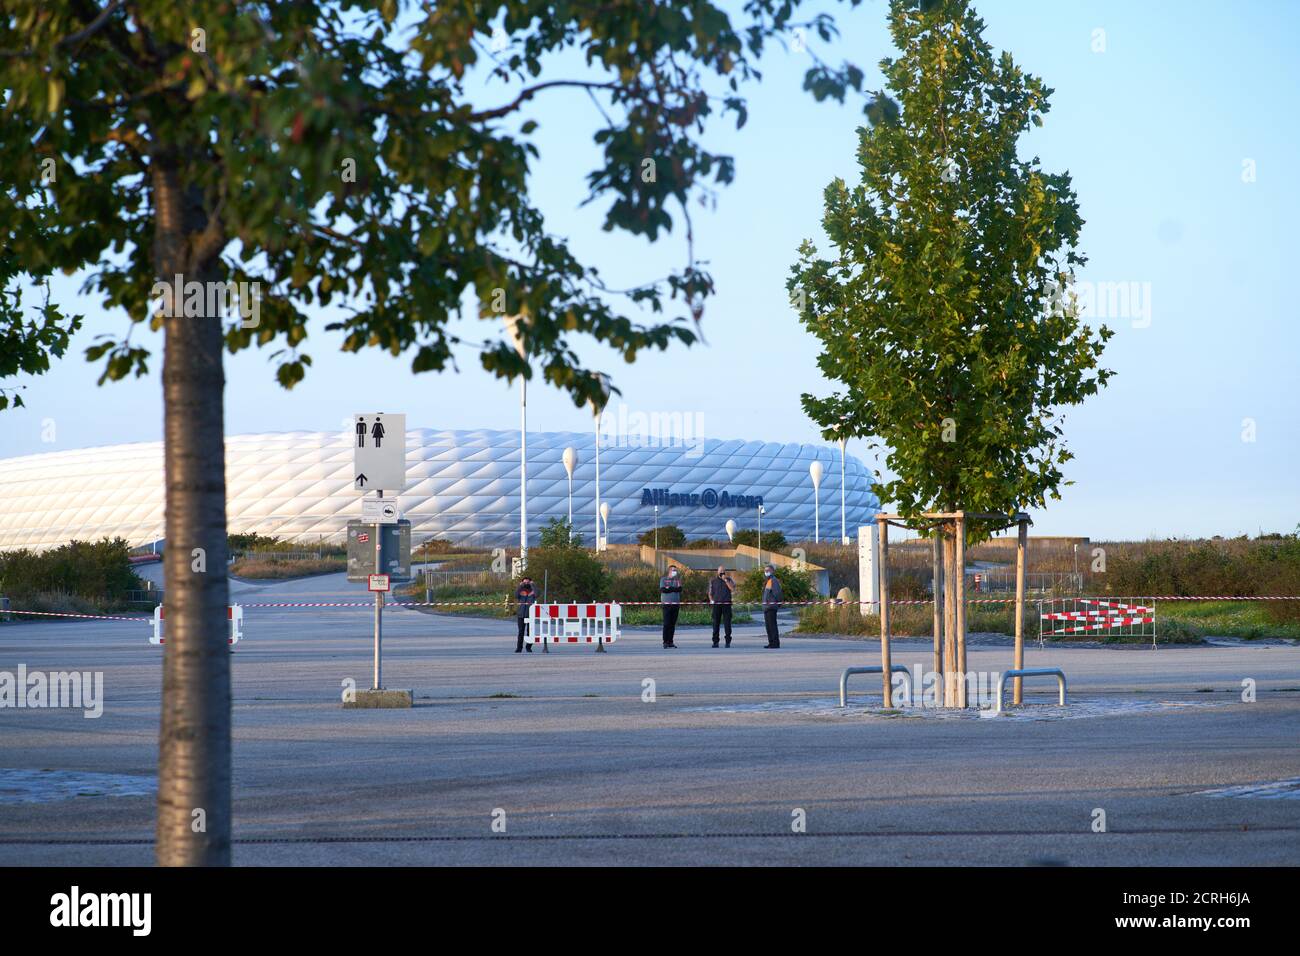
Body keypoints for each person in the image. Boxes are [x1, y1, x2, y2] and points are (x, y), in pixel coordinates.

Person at [708, 565, 735, 648]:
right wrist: (711, 600)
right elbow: (710, 592)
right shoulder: (713, 581)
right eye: (720, 571)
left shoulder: (729, 579)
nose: (722, 572)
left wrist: (726, 580)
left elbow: (732, 589)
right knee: (715, 623)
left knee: (727, 624)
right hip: (717, 605)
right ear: (717, 572)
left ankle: (728, 641)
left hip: (726, 604)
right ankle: (715, 642)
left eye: (723, 571)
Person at [660, 565, 683, 648]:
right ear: (669, 571)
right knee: (666, 624)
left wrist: (670, 588)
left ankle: (670, 641)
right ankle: (665, 642)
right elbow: (663, 590)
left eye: (676, 570)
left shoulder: (678, 580)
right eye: (673, 570)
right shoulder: (663, 579)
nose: (675, 572)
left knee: (672, 624)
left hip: (676, 605)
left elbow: (680, 589)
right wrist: (673, 589)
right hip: (666, 605)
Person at [761, 564, 782, 648]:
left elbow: (777, 593)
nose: (766, 572)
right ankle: (771, 642)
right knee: (768, 626)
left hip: (771, 606)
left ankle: (775, 643)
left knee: (772, 626)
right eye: (765, 571)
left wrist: (778, 603)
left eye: (768, 570)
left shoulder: (773, 580)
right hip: (766, 607)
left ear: (772, 571)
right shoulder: (767, 581)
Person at [514, 575, 536, 653]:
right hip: (521, 614)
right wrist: (520, 586)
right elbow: (516, 595)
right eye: (524, 581)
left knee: (530, 632)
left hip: (530, 615)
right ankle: (519, 648)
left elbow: (537, 594)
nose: (526, 583)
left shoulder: (533, 590)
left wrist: (533, 585)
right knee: (521, 632)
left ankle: (528, 647)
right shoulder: (520, 590)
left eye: (528, 581)